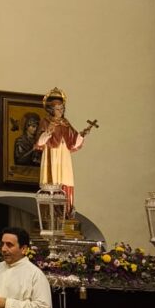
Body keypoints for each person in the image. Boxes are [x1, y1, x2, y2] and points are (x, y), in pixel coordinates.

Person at [36, 87, 95, 216]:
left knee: (66, 181)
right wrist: (47, 133)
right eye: (58, 109)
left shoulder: (65, 122)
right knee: (53, 181)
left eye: (62, 109)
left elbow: (73, 142)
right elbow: (39, 142)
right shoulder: (46, 121)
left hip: (64, 156)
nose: (60, 111)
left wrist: (82, 135)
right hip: (52, 154)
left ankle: (66, 213)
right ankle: (51, 215)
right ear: (51, 110)